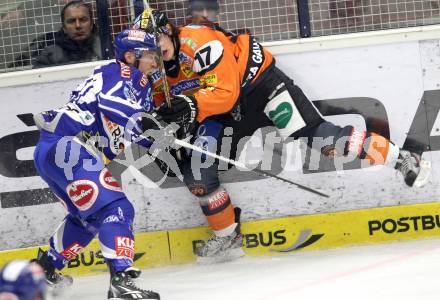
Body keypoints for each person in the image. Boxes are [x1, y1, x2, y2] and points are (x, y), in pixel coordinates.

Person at [134, 10, 431, 261]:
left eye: (157, 40)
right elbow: (169, 112)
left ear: (169, 32)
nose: (155, 51)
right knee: (198, 175)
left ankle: (402, 157)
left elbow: (227, 93)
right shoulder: (152, 72)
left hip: (259, 89)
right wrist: (166, 132)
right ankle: (227, 236)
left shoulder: (197, 41)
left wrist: (192, 105)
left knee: (325, 140)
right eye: (148, 48)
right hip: (221, 114)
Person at [31, 28, 161, 299]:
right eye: (149, 55)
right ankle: (121, 281)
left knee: (88, 217)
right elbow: (111, 102)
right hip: (68, 146)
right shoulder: (125, 73)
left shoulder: (129, 81)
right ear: (130, 56)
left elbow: (118, 141)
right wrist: (143, 122)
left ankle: (44, 272)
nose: (155, 62)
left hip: (53, 150)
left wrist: (153, 138)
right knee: (118, 209)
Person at [11, 0, 102, 68]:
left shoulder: (104, 47)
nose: (78, 26)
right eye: (71, 21)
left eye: (83, 20)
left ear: (91, 24)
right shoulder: (47, 49)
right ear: (64, 28)